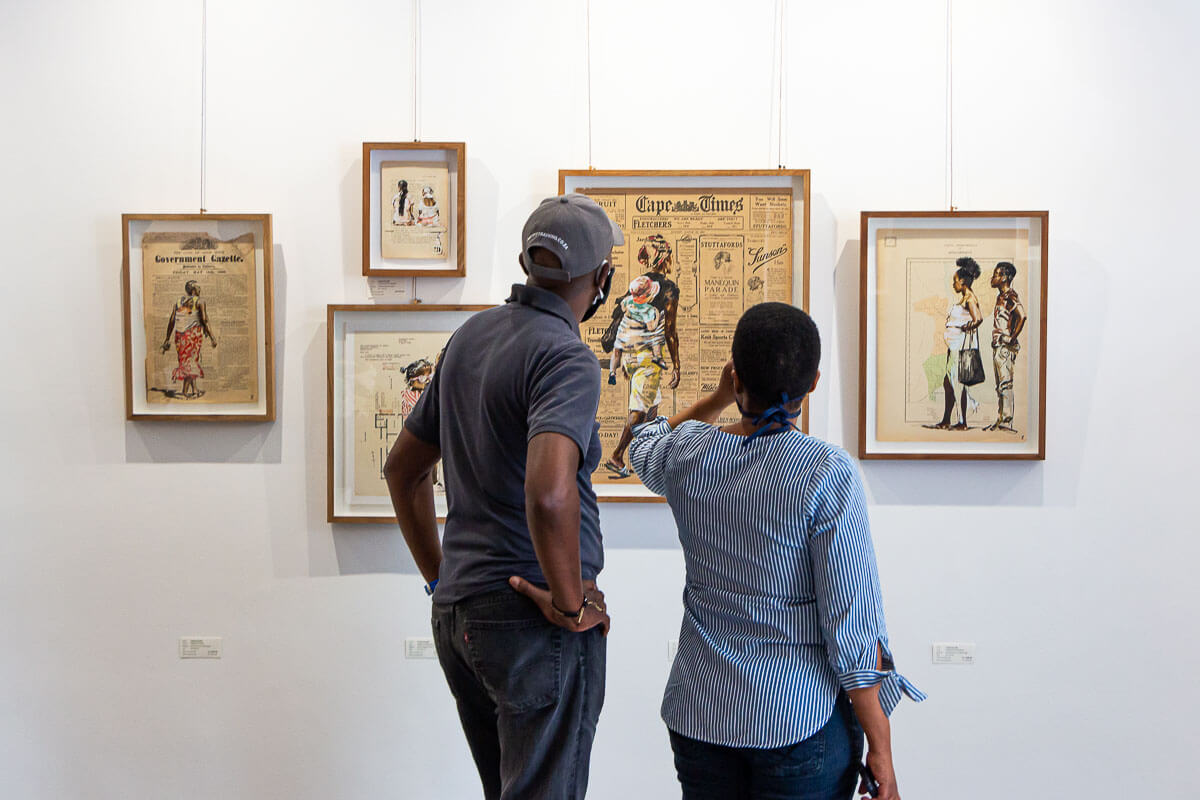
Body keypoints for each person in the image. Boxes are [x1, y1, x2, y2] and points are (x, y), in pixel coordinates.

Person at [629, 303, 924, 800]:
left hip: (700, 711)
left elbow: (640, 442)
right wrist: (882, 748)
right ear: (813, 385)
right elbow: (852, 625)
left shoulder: (689, 453)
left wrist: (718, 399)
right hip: (796, 718)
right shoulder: (824, 472)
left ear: (737, 376)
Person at [384, 193, 619, 800]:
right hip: (530, 623)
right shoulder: (566, 357)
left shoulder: (472, 335)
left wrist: (443, 582)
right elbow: (548, 494)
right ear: (600, 278)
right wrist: (571, 607)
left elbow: (401, 470)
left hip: (461, 618)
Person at [603, 233, 681, 477]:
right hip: (645, 357)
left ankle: (646, 456)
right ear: (664, 259)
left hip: (630, 354)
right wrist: (677, 364)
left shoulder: (638, 283)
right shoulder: (667, 290)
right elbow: (670, 331)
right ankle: (617, 456)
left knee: (653, 406)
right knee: (640, 409)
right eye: (669, 256)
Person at [925, 257, 982, 430]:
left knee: (957, 384)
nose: (953, 284)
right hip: (954, 347)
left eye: (955, 281)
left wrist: (968, 326)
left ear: (963, 281)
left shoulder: (970, 299)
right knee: (948, 383)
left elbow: (978, 318)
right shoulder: (964, 298)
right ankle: (946, 420)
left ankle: (962, 422)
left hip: (961, 347)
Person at [983, 261, 1025, 432]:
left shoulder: (1010, 296)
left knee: (1005, 383)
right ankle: (1001, 419)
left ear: (1005, 277)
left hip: (1005, 347)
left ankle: (1006, 421)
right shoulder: (1000, 296)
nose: (993, 277)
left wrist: (1011, 338)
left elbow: (1022, 316)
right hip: (998, 346)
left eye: (997, 274)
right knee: (1000, 384)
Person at [159, 280, 216, 399]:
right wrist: (212, 337)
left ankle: (194, 389)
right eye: (199, 288)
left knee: (187, 362)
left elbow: (171, 321)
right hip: (192, 336)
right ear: (194, 290)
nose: (200, 290)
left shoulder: (179, 301)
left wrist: (167, 338)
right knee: (191, 362)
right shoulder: (200, 301)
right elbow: (204, 320)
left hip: (179, 337)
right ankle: (186, 392)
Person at [608, 275, 665, 385]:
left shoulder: (628, 301)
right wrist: (657, 316)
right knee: (655, 338)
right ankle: (658, 357)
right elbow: (651, 327)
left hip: (623, 334)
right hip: (637, 337)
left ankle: (612, 372)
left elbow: (623, 308)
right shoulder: (648, 310)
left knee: (616, 352)